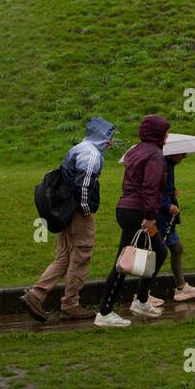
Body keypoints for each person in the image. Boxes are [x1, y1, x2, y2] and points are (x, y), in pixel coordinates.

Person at [22, 116, 115, 322]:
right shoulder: (91, 155)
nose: (111, 142)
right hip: (77, 214)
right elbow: (83, 186)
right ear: (101, 136)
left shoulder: (80, 147)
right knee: (82, 255)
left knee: (63, 256)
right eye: (109, 136)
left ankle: (36, 294)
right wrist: (86, 209)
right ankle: (71, 304)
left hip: (64, 210)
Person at [96, 114, 171, 326]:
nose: (167, 136)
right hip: (138, 213)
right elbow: (149, 187)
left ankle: (141, 299)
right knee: (123, 263)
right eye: (165, 131)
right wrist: (149, 216)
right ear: (158, 133)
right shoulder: (155, 155)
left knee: (158, 251)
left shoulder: (135, 150)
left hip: (126, 209)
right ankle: (106, 311)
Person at [159, 152, 195, 302]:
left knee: (176, 248)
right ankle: (142, 295)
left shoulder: (168, 165)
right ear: (173, 153)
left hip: (164, 217)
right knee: (156, 254)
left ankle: (181, 287)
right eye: (183, 153)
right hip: (160, 217)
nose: (185, 157)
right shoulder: (163, 166)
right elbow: (154, 190)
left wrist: (172, 191)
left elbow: (163, 188)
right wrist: (167, 205)